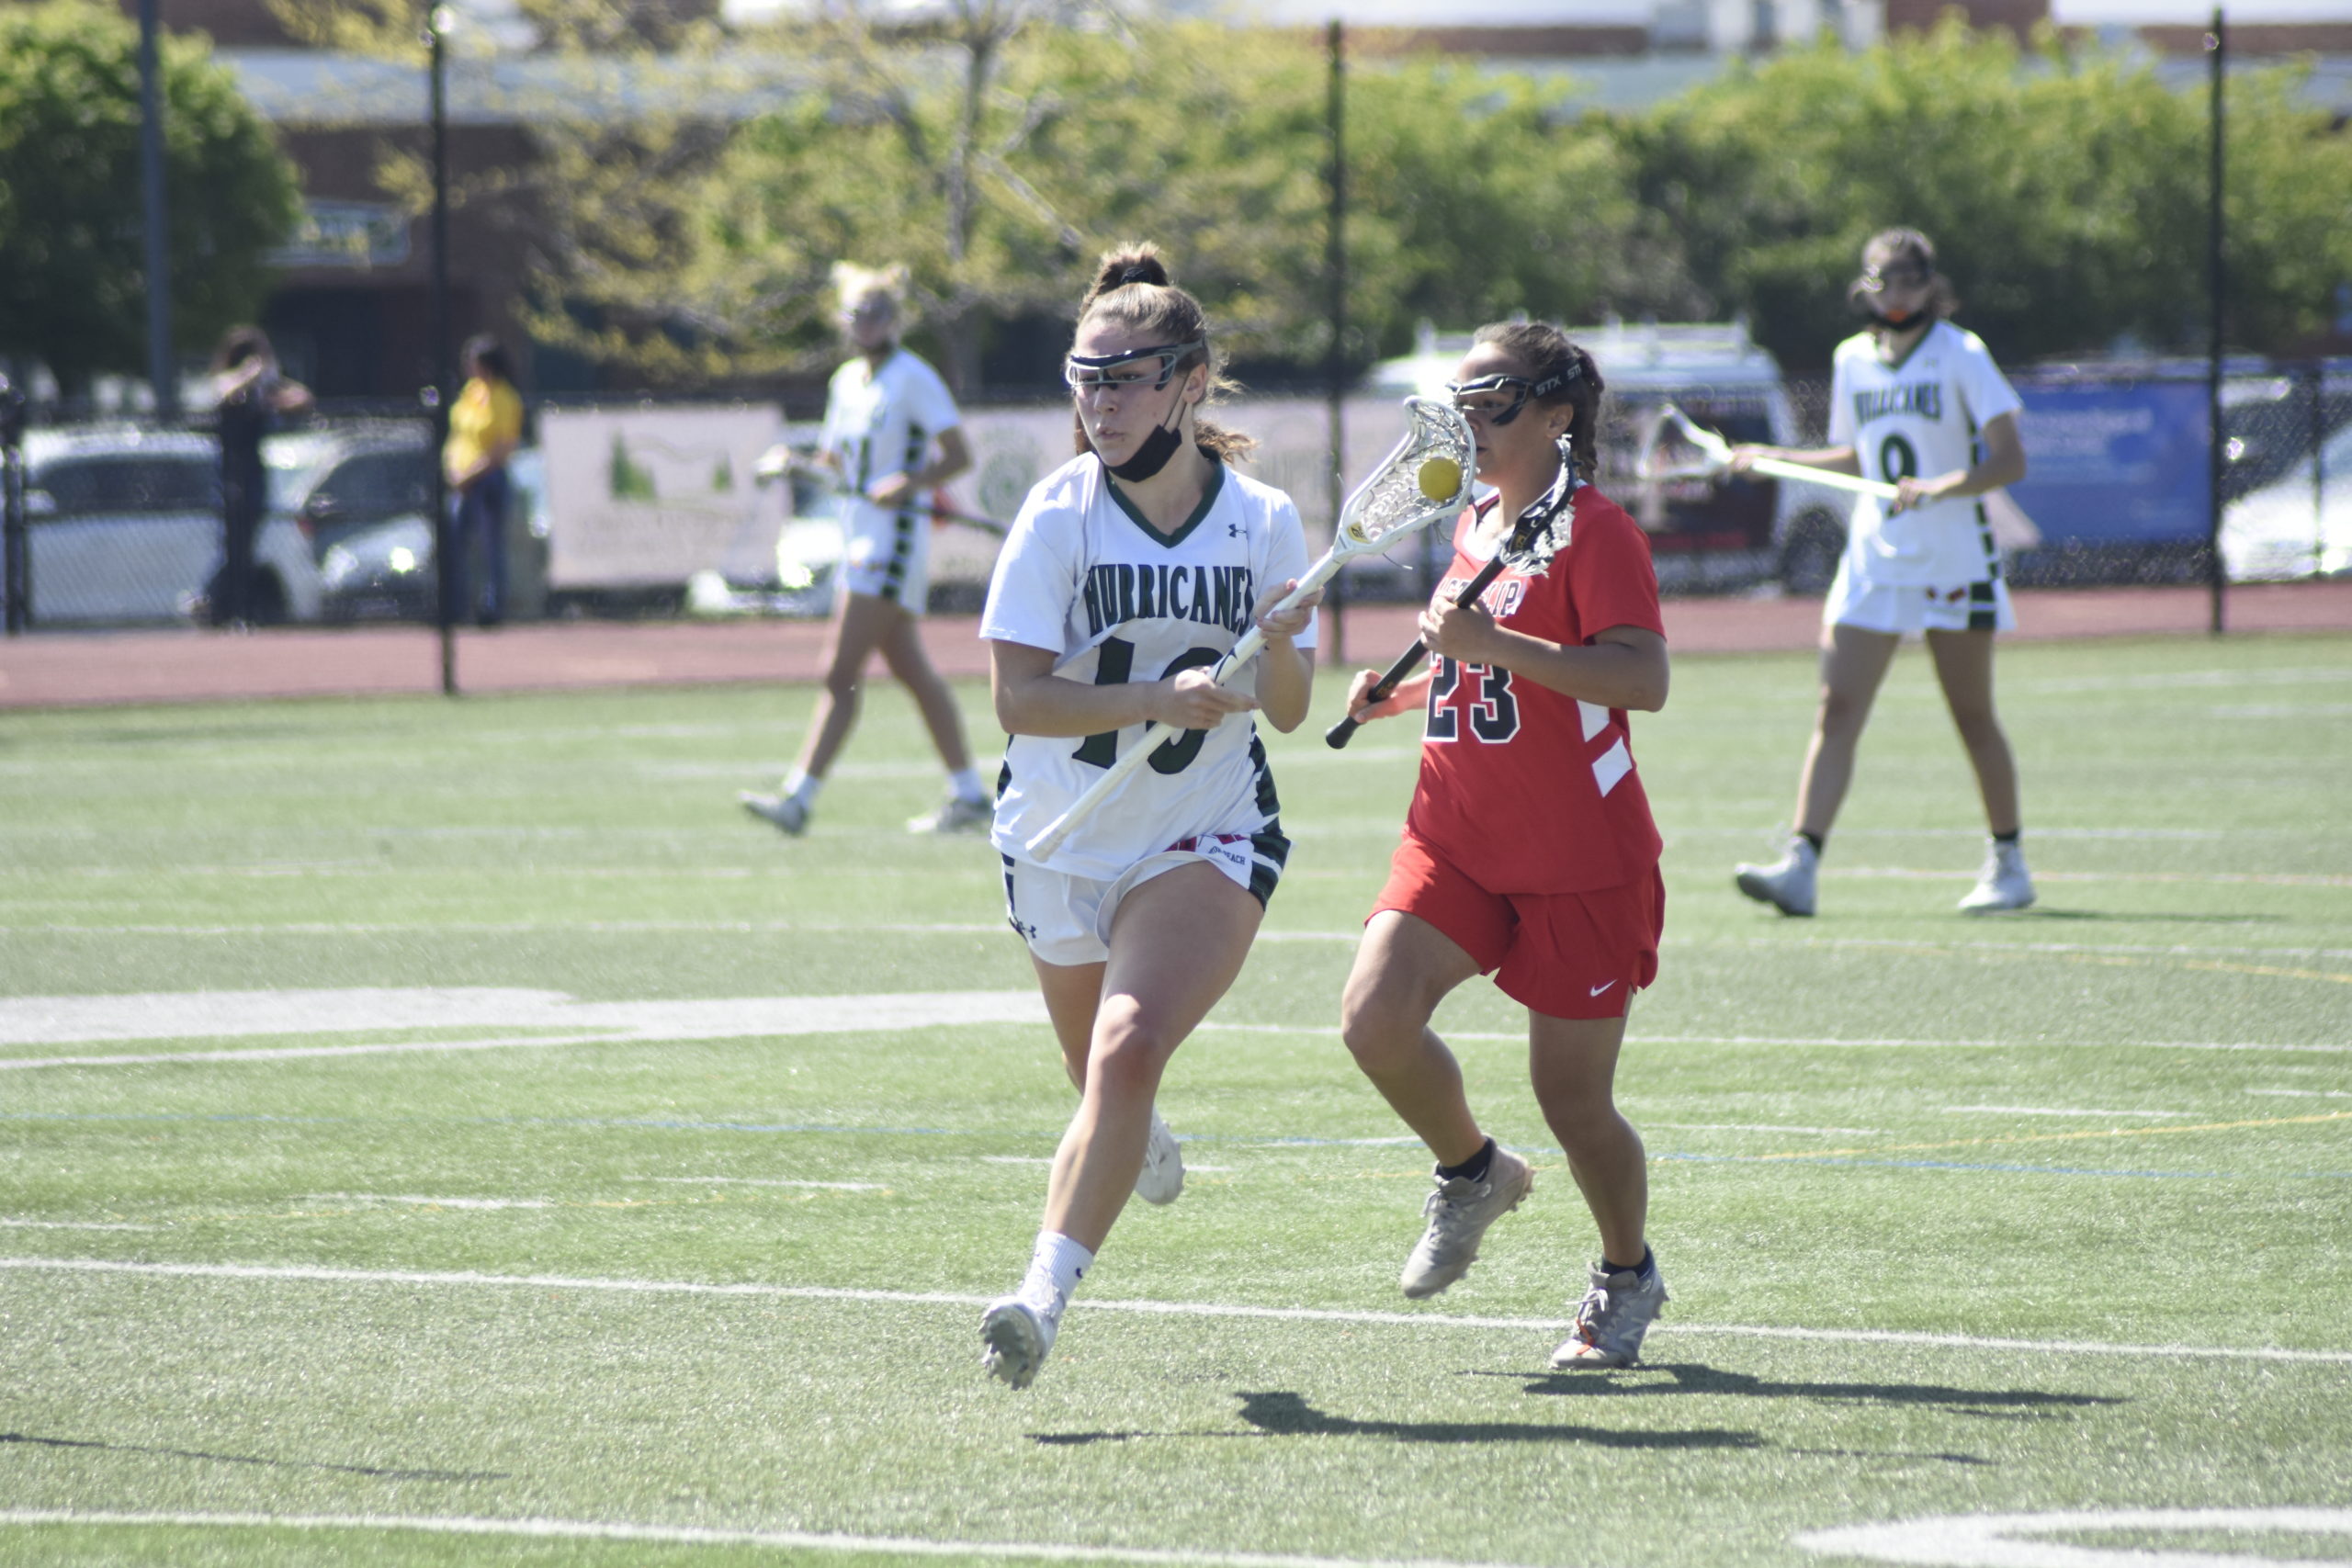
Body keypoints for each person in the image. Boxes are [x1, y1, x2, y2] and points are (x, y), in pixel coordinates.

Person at [975, 244, 1319, 1390]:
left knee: (1123, 1056)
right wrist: (1153, 696)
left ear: (1188, 381)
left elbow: (1292, 708)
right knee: (1106, 1083)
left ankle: (1040, 1297)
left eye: (1123, 379)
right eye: (1085, 378)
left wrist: (1273, 638)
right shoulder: (1056, 514)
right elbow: (1017, 700)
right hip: (1059, 836)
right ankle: (1133, 1130)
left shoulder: (1261, 519)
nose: (1100, 402)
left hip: (1203, 828)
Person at [1336, 321, 1674, 1371]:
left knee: (1574, 1105)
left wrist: (1490, 646)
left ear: (1558, 414)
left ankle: (1625, 1274)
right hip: (1458, 832)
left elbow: (1637, 680)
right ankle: (1473, 1171)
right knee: (1372, 1020)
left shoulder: (1600, 532)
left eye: (1496, 405)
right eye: (1464, 404)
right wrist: (1410, 693)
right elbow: (1486, 674)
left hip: (1580, 854)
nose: (1471, 425)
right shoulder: (1477, 520)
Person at [1728, 228, 2032, 917]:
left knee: (1972, 714)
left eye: (1908, 278)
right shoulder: (1852, 360)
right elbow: (1857, 455)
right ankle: (1801, 864)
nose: (1896, 292)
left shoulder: (1963, 353)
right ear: (1865, 286)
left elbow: (2010, 460)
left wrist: (1941, 485)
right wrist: (1772, 454)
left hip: (1954, 556)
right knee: (1835, 708)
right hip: (1875, 558)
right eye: (1882, 279)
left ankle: (2009, 862)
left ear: (1930, 284)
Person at [741, 264, 990, 837]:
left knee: (838, 669)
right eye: (857, 314)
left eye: (878, 313)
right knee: (911, 669)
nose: (867, 323)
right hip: (857, 533)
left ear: (893, 319)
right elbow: (835, 463)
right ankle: (969, 792)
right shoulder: (845, 381)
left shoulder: (913, 377)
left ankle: (798, 798)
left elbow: (958, 455)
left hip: (892, 540)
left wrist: (909, 482)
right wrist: (792, 463)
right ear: (842, 320)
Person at [208, 326, 311, 627]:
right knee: (233, 545)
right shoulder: (229, 383)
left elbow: (303, 398)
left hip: (254, 476)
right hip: (229, 477)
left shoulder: (261, 390)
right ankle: (215, 601)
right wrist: (248, 374)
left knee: (247, 545)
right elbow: (220, 392)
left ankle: (230, 605)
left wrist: (271, 382)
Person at [442, 333, 526, 628]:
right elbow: (458, 435)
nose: (468, 367)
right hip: (462, 482)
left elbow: (501, 449)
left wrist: (469, 475)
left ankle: (492, 608)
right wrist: (454, 470)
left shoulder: (505, 398)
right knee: (454, 545)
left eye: (473, 362)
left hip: (487, 480)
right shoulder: (471, 392)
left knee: (492, 546)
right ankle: (456, 607)